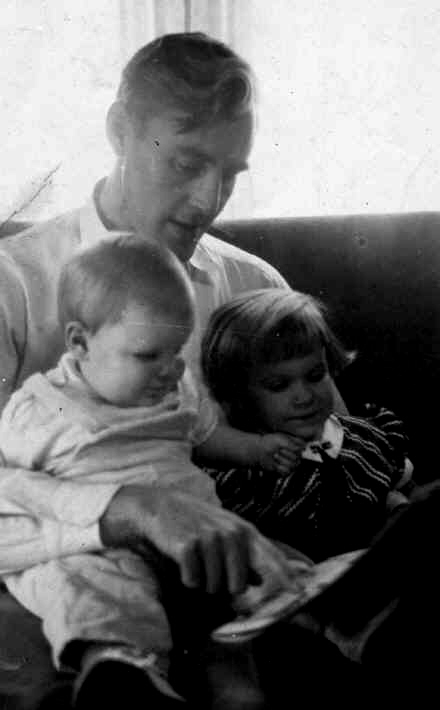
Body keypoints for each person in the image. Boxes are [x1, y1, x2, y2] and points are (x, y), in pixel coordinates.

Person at [0, 31, 350, 653]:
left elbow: (338, 446)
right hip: (74, 606)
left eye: (230, 173)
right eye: (187, 164)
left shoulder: (252, 283)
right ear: (118, 132)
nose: (209, 201)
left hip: (242, 593)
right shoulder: (12, 286)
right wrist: (129, 510)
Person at [0, 237, 312, 708]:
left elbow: (205, 434)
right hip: (107, 548)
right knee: (91, 588)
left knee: (275, 564)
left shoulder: (173, 388)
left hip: (198, 538)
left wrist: (258, 449)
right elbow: (16, 487)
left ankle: (315, 617)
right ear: (80, 342)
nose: (170, 370)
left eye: (177, 349)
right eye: (149, 355)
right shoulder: (47, 404)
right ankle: (123, 671)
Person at [200, 288, 415, 562]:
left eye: (315, 375)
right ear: (239, 395)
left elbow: (401, 494)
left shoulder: (364, 438)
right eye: (279, 385)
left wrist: (398, 508)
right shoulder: (240, 473)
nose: (304, 397)